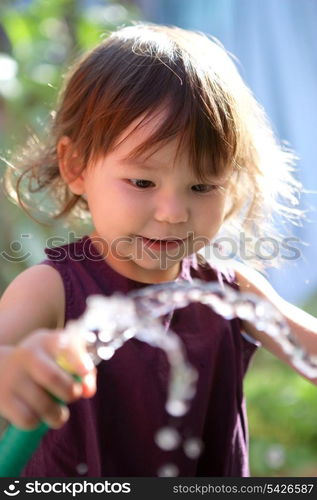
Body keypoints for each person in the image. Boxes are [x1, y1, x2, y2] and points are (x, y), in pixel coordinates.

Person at [0, 22, 316, 478]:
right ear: (76, 167)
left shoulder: (231, 289)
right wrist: (13, 370)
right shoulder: (51, 290)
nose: (172, 212)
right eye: (143, 182)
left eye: (203, 185)